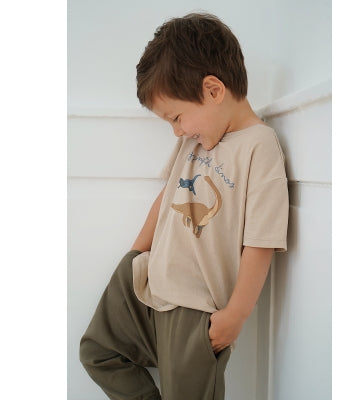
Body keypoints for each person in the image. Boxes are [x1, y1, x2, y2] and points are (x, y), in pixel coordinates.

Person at [79, 12, 289, 400]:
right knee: (98, 351)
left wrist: (235, 316)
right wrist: (133, 255)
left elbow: (261, 242)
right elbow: (168, 197)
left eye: (177, 117)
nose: (177, 130)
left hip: (194, 308)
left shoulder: (259, 147)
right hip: (145, 280)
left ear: (213, 90)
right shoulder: (195, 140)